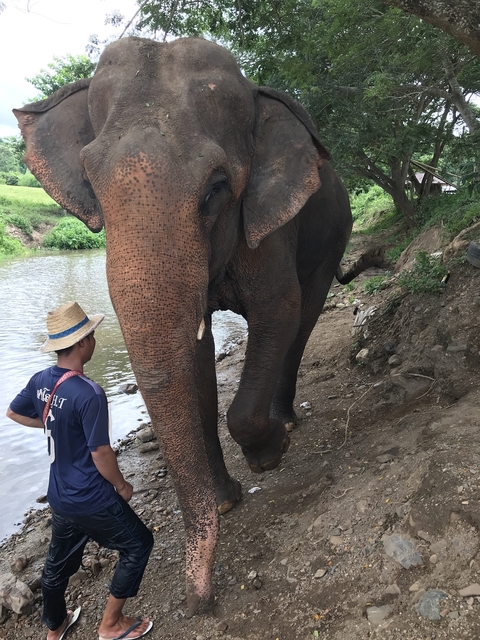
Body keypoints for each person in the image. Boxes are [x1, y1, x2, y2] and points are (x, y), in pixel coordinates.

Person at [6, 302, 154, 640]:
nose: (94, 340)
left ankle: (55, 628)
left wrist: (50, 423)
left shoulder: (40, 380)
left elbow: (14, 414)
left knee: (56, 567)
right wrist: (122, 485)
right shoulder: (89, 392)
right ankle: (111, 624)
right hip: (91, 497)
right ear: (84, 342)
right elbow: (100, 452)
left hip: (60, 495)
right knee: (139, 545)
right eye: (93, 335)